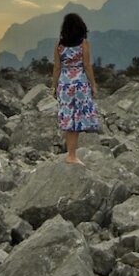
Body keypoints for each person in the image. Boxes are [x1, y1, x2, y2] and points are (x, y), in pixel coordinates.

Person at [51, 12, 99, 164]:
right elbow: (86, 65)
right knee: (77, 118)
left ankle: (70, 154)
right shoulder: (83, 43)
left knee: (67, 116)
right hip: (79, 83)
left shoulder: (59, 46)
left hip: (64, 84)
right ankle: (72, 154)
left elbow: (57, 67)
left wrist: (54, 86)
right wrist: (93, 85)